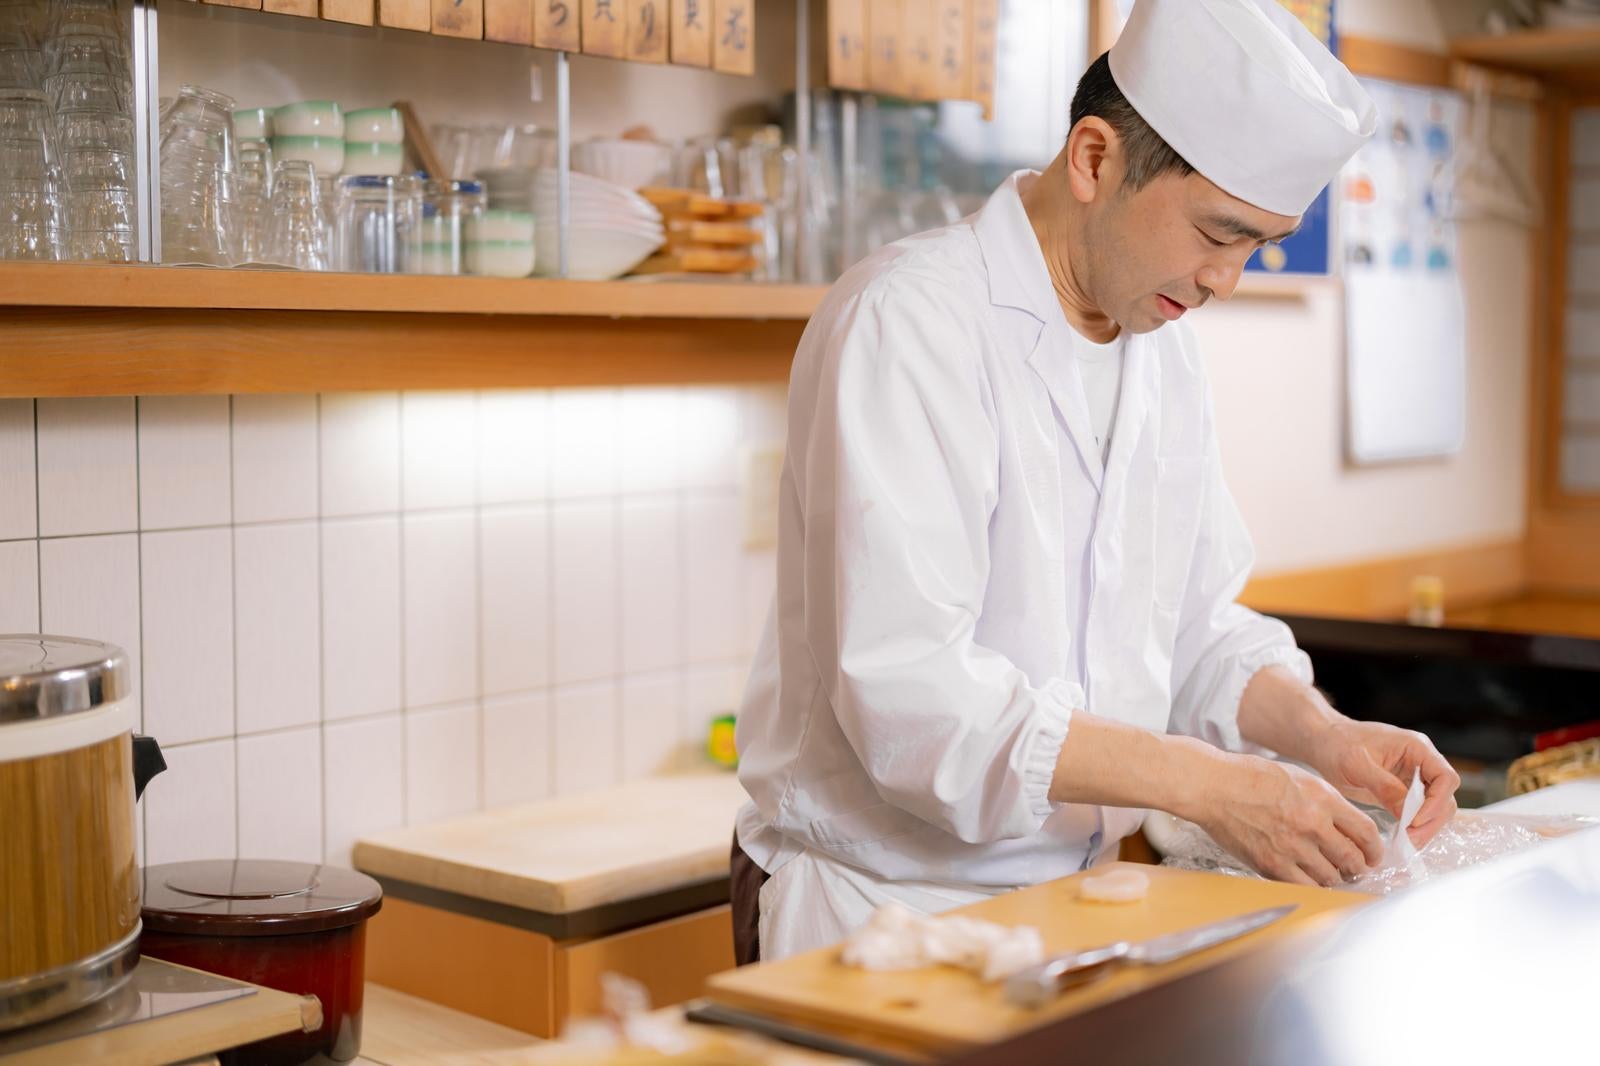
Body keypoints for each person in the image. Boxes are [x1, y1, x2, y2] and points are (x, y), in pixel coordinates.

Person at [729, 0, 1461, 964]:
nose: (1225, 281)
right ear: (1093, 158)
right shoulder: (910, 323)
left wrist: (1323, 735)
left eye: (1256, 246)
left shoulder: (1160, 350)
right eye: (1217, 233)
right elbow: (914, 701)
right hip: (875, 908)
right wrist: (1211, 786)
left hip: (1069, 910)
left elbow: (1195, 630)